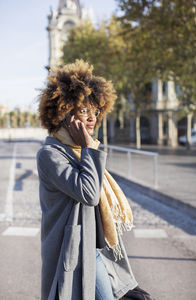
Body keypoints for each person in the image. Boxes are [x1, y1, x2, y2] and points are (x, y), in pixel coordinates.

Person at [37, 59, 154, 300]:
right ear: (64, 111)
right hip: (73, 254)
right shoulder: (51, 155)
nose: (92, 118)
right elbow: (88, 194)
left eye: (96, 111)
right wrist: (89, 147)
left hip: (95, 250)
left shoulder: (80, 150)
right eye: (84, 110)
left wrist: (88, 149)